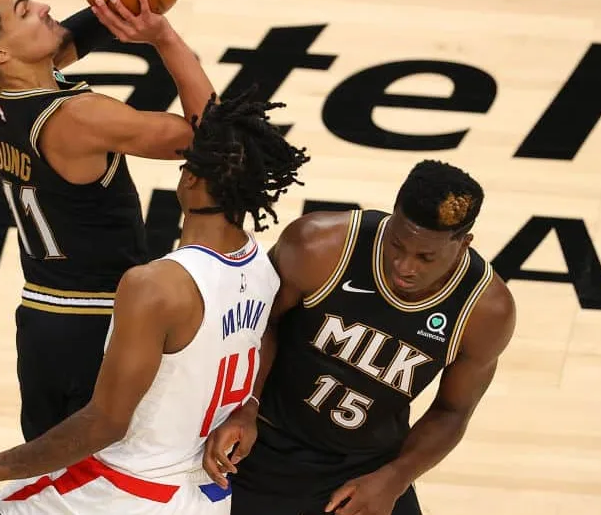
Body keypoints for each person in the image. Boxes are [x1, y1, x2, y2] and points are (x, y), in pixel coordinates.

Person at [0, 90, 312, 515]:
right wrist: (249, 406)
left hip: (119, 492)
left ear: (190, 178)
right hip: (202, 499)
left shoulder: (155, 286)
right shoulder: (264, 271)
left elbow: (105, 423)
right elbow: (268, 337)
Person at [0, 0, 217, 442]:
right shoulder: (78, 118)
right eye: (25, 10)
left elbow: (73, 37)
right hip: (101, 324)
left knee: (49, 481)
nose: (45, 7)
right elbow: (212, 137)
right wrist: (165, 38)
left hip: (42, 322)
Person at [203, 159, 518, 515]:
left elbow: (452, 411)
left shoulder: (486, 311)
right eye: (396, 244)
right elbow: (257, 326)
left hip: (367, 466)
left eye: (425, 257)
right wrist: (245, 404)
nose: (404, 266)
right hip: (264, 441)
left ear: (464, 244)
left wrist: (395, 477)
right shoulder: (319, 246)